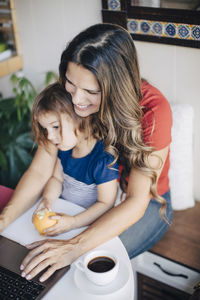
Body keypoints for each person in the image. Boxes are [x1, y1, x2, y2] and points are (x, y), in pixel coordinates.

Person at [0, 23, 173, 283]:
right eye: (70, 84)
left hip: (145, 203)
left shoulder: (154, 112)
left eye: (91, 92)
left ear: (116, 86)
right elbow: (40, 169)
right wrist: (4, 219)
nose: (77, 100)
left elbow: (136, 201)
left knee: (80, 266)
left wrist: (73, 247)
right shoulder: (71, 93)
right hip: (88, 199)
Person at [32, 82, 119, 235]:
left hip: (90, 224)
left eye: (55, 127)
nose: (50, 136)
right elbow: (56, 179)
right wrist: (47, 200)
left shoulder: (103, 159)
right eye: (46, 129)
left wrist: (74, 222)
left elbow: (106, 203)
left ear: (81, 118)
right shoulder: (65, 149)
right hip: (67, 214)